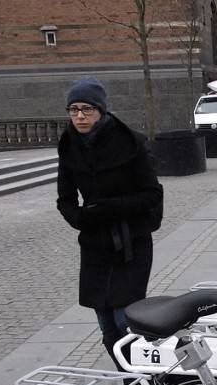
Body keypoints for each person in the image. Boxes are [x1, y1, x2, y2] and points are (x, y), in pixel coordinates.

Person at [56, 77, 163, 370]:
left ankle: (145, 378)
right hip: (94, 244)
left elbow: (152, 194)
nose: (79, 116)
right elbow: (64, 198)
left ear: (101, 111)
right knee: (106, 325)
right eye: (73, 109)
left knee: (124, 320)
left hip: (131, 241)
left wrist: (109, 208)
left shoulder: (130, 142)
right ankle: (131, 378)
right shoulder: (68, 145)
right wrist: (80, 218)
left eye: (86, 109)